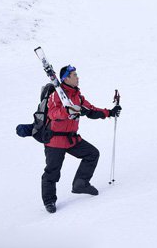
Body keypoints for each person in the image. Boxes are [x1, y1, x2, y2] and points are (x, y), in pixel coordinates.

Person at [42, 65, 122, 213]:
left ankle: (80, 183)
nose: (77, 77)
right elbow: (52, 113)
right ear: (66, 78)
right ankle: (49, 201)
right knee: (52, 171)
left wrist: (109, 112)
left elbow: (90, 110)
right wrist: (67, 111)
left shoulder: (77, 96)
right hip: (55, 140)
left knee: (92, 154)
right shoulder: (56, 95)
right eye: (74, 75)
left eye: (77, 74)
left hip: (71, 139)